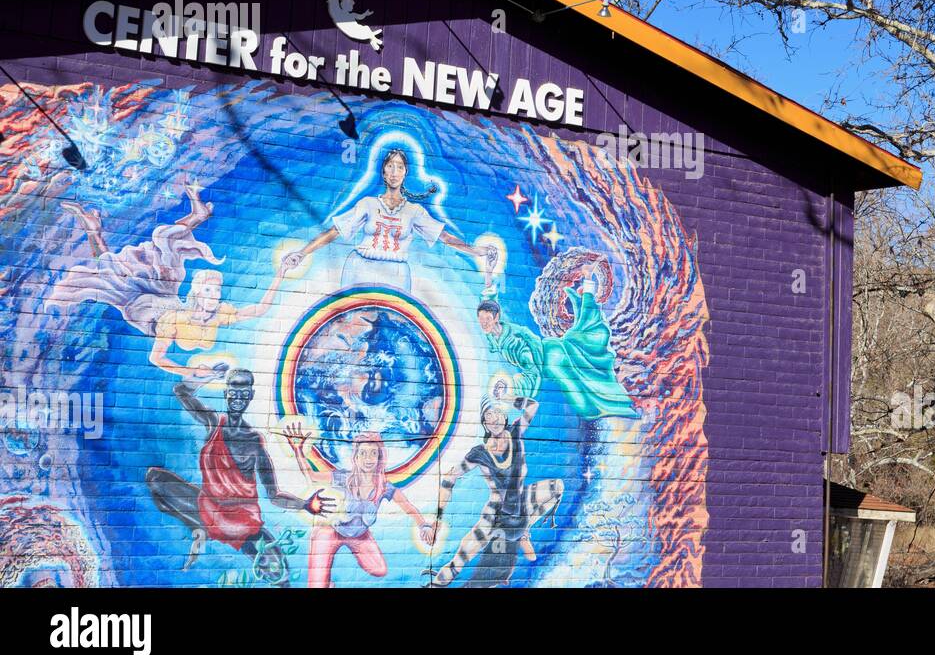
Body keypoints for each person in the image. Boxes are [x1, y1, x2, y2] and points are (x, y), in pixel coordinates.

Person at [55, 180, 289, 380]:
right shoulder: (175, 321)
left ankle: (94, 230)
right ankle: (96, 231)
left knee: (124, 272)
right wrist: (191, 371)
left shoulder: (219, 315)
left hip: (160, 302)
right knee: (125, 272)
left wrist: (280, 275)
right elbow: (156, 357)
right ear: (197, 292)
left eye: (216, 291)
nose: (214, 296)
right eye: (208, 291)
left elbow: (259, 309)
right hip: (150, 310)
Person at [146, 370, 332, 584]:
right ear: (226, 394)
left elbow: (274, 495)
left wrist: (305, 504)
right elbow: (181, 391)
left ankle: (203, 528)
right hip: (208, 509)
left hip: (242, 524)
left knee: (279, 574)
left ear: (251, 397)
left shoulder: (254, 443)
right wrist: (210, 375)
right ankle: (197, 527)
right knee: (155, 478)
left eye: (244, 395)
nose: (238, 400)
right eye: (234, 393)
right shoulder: (214, 423)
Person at [281, 148, 494, 292]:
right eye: (390, 166)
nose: (394, 172)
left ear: (405, 173)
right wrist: (302, 253)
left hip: (396, 273)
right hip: (360, 269)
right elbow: (335, 231)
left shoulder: (414, 211)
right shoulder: (367, 204)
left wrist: (478, 252)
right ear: (383, 172)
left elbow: (445, 237)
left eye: (399, 167)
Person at [427, 397, 563, 587]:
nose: (494, 418)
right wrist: (439, 517)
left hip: (522, 504)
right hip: (495, 514)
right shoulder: (479, 453)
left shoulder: (516, 433)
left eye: (497, 412)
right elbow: (450, 477)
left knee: (556, 487)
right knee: (460, 560)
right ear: (485, 423)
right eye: (488, 415)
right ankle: (435, 585)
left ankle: (525, 528)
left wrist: (503, 397)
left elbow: (533, 406)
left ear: (505, 416)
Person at [476, 261, 636, 420]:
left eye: (487, 319)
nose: (484, 323)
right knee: (587, 340)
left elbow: (533, 371)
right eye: (481, 320)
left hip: (552, 361)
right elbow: (489, 300)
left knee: (584, 403)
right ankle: (588, 277)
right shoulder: (495, 334)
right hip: (551, 349)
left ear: (496, 317)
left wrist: (511, 390)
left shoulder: (512, 344)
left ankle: (614, 406)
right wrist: (488, 272)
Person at [283, 423, 437, 587]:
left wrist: (423, 526)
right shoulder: (343, 478)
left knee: (379, 569)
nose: (368, 458)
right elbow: (312, 476)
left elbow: (408, 507)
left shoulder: (383, 487)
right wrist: (298, 450)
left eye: (373, 453)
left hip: (359, 535)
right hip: (330, 531)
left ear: (379, 458)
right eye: (363, 453)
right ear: (355, 457)